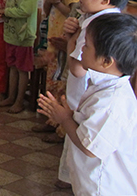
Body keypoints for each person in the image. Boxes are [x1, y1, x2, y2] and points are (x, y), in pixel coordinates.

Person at [55, 0, 135, 189]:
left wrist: (71, 40)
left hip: (84, 107)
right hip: (85, 105)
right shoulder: (112, 22)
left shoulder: (97, 27)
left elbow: (77, 68)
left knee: (83, 153)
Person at [38, 13, 137, 196]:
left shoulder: (112, 102)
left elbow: (90, 147)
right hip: (90, 182)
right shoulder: (103, 86)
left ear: (106, 61)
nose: (81, 48)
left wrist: (65, 119)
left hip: (104, 187)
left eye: (87, 46)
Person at [33, 0, 94, 144]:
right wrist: (49, 0)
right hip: (53, 39)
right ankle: (52, 121)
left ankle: (62, 129)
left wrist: (55, 2)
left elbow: (73, 12)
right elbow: (47, 8)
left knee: (62, 86)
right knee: (52, 82)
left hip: (65, 41)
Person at [0, 0, 40, 113]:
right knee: (12, 67)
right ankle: (11, 97)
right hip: (11, 35)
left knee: (22, 70)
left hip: (23, 37)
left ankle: (19, 101)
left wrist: (5, 12)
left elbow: (25, 11)